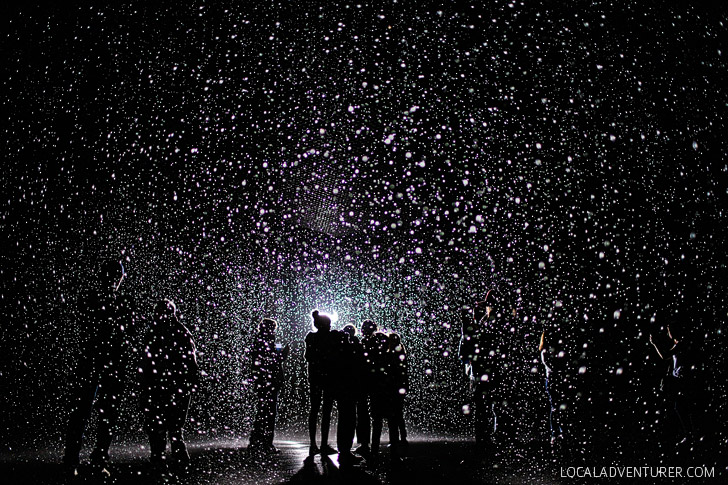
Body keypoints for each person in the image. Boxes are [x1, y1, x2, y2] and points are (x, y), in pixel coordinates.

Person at [63, 259, 129, 479]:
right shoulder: (112, 300)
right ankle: (90, 461)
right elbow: (122, 333)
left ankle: (77, 461)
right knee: (98, 414)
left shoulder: (96, 298)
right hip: (101, 363)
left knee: (88, 414)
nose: (117, 281)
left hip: (98, 363)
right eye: (117, 277)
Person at [141, 299, 199, 472]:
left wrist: (145, 383)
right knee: (174, 425)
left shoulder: (154, 331)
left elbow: (146, 361)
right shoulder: (181, 332)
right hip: (175, 385)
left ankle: (159, 459)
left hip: (160, 384)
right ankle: (178, 459)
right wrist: (189, 383)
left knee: (158, 424)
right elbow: (191, 362)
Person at [458, 290, 510, 449]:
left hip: (484, 372)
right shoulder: (493, 322)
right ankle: (495, 437)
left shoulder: (485, 323)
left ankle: (487, 439)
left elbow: (466, 351)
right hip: (491, 371)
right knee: (495, 407)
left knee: (485, 409)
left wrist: (467, 328)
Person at [649, 322, 699, 446]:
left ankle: (692, 435)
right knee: (682, 407)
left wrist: (655, 344)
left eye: (669, 329)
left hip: (684, 381)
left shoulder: (681, 344)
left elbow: (665, 356)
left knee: (683, 407)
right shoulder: (678, 344)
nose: (668, 332)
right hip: (681, 381)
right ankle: (691, 434)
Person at [248, 317, 289, 456]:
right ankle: (265, 443)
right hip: (270, 381)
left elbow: (258, 361)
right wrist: (284, 352)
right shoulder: (272, 341)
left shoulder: (259, 340)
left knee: (262, 411)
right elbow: (278, 358)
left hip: (264, 380)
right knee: (269, 413)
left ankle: (256, 441)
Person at [305, 311, 336, 456]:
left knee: (315, 410)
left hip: (316, 378)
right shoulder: (330, 338)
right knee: (326, 411)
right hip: (328, 378)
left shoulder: (311, 337)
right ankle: (322, 444)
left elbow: (308, 356)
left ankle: (313, 444)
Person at [368, 331, 396, 457]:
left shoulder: (372, 358)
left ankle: (374, 451)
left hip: (378, 393)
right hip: (388, 393)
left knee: (377, 423)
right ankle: (394, 453)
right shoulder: (390, 357)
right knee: (391, 422)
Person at [354, 319, 378, 457]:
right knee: (372, 414)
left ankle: (365, 444)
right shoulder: (376, 343)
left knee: (363, 413)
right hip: (372, 381)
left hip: (363, 381)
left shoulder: (362, 343)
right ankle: (370, 444)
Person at [539, 329, 566, 445]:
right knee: (556, 407)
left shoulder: (546, 351)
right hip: (553, 380)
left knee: (556, 407)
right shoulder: (546, 351)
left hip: (553, 380)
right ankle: (556, 433)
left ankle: (558, 432)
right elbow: (552, 366)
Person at [388, 332, 409, 447]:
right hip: (399, 387)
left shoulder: (393, 354)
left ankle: (396, 439)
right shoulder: (400, 353)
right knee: (398, 414)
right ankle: (401, 438)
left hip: (394, 387)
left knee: (395, 414)